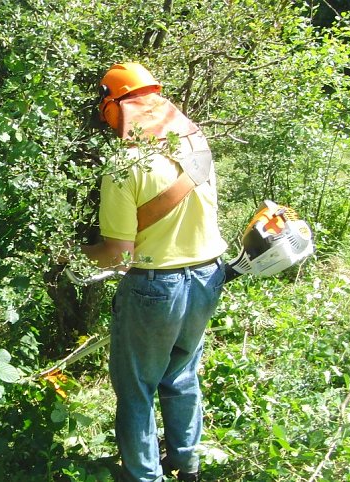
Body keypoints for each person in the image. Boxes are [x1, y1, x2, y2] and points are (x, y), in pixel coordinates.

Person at [79, 62, 227, 481]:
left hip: (155, 286)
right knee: (181, 373)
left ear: (113, 107)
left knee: (137, 388)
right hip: (208, 276)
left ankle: (144, 476)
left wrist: (79, 253)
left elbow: (117, 257)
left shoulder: (123, 165)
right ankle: (187, 465)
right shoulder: (197, 146)